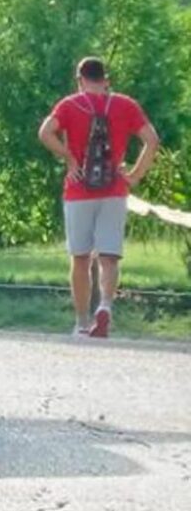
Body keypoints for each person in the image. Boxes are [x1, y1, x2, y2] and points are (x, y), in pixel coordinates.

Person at [38, 57, 160, 338]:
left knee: (80, 259)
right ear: (105, 79)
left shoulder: (69, 105)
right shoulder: (125, 105)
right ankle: (104, 306)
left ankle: (82, 323)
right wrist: (135, 175)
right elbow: (151, 140)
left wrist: (69, 158)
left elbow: (44, 133)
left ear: (79, 80)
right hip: (115, 190)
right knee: (109, 257)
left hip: (78, 190)